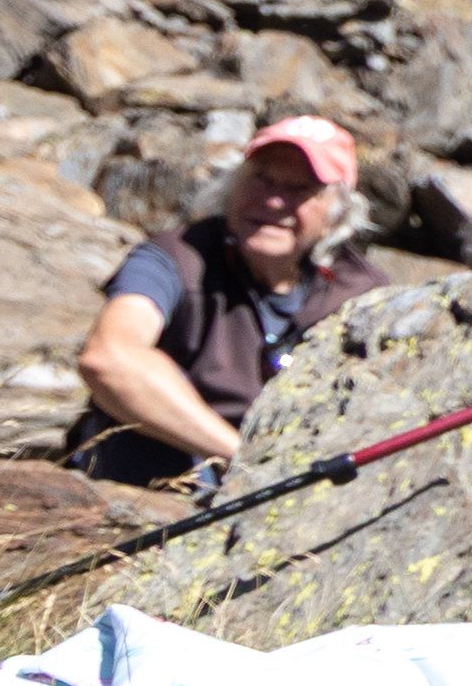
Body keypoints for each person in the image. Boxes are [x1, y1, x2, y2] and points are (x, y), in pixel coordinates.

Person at [59, 117, 373, 485]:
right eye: (261, 179)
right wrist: (244, 458)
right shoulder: (175, 258)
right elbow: (109, 358)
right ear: (233, 184)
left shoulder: (361, 293)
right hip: (160, 477)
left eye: (299, 189)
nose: (273, 201)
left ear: (338, 214)